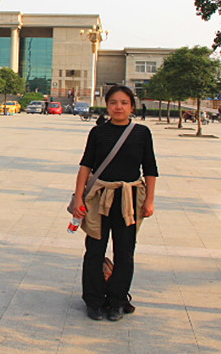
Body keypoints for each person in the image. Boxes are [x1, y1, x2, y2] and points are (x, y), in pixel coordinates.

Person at [73, 85, 158, 322]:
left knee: (125, 252)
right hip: (99, 198)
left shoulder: (142, 133)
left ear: (132, 106)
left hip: (128, 200)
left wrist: (149, 200)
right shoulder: (98, 132)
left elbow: (150, 169)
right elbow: (85, 166)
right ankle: (94, 300)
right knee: (94, 251)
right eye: (113, 103)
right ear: (107, 105)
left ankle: (118, 300)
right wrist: (78, 197)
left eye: (124, 103)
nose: (118, 107)